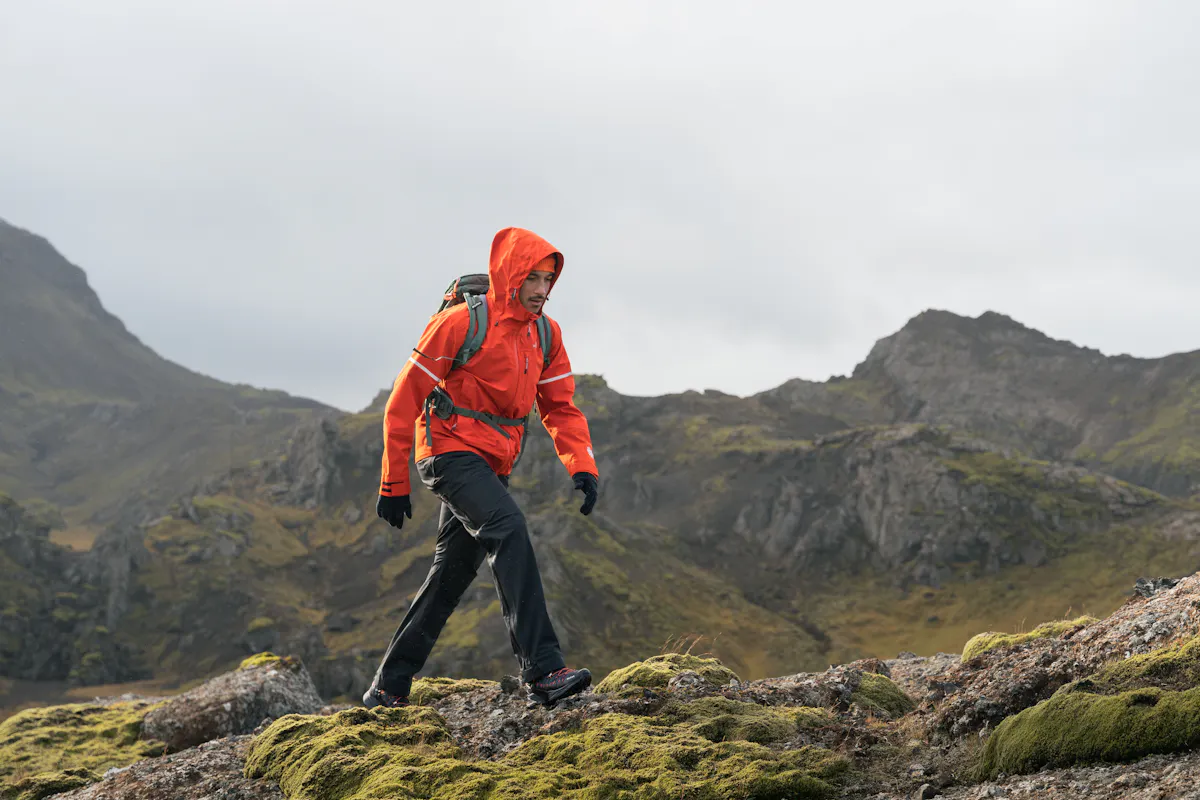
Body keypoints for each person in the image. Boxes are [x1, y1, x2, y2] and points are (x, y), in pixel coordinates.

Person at [363, 227, 600, 708]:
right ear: (509, 274)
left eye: (548, 279)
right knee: (509, 528)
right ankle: (545, 671)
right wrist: (394, 482)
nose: (540, 289)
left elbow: (560, 407)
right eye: (531, 277)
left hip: (494, 462)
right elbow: (401, 401)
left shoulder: (545, 334)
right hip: (448, 452)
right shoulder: (460, 324)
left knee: (450, 573)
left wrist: (582, 465)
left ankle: (387, 688)